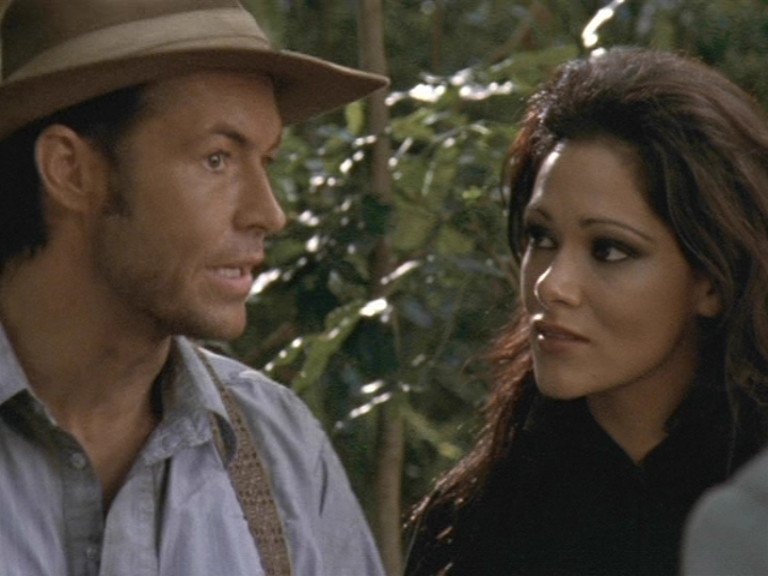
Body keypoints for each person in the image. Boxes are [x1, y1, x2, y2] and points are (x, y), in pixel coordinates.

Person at [0, 0, 389, 575]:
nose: (269, 213)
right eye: (217, 159)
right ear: (71, 170)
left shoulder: (279, 452)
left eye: (266, 161)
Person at [405, 47, 768, 576]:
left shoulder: (753, 509)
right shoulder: (472, 522)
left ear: (712, 280)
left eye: (609, 249)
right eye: (541, 237)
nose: (552, 285)